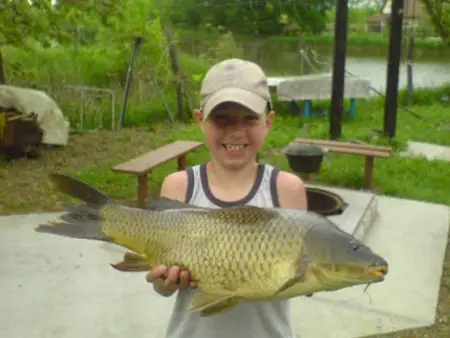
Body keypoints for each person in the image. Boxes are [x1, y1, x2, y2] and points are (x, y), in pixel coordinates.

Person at [146, 58, 308, 338]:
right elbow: (163, 288)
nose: (236, 131)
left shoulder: (287, 189)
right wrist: (165, 281)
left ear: (268, 122)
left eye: (249, 119)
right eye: (222, 119)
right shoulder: (178, 186)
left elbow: (301, 279)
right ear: (200, 120)